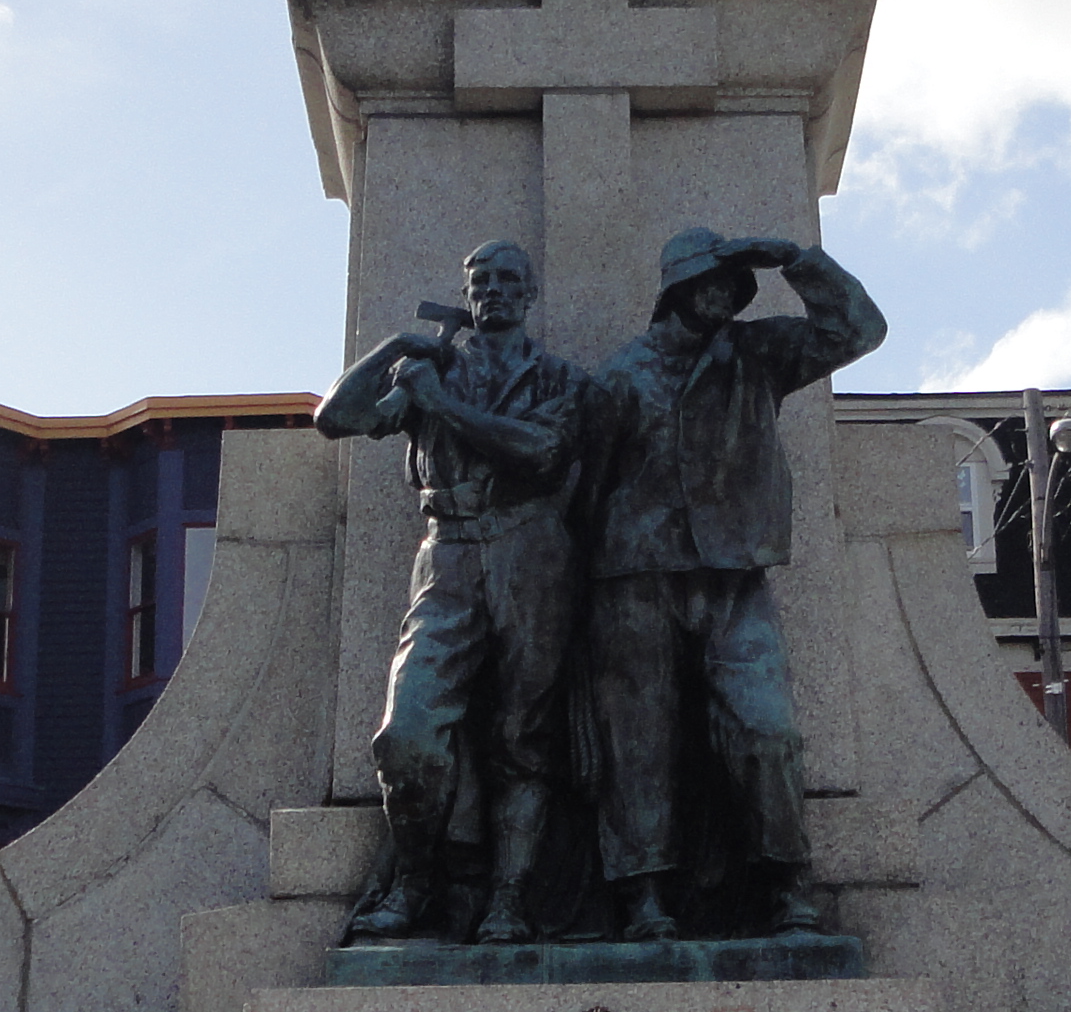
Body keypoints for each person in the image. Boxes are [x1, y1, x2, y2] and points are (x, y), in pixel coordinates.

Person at [576, 227, 885, 939]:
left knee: (767, 729)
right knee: (639, 742)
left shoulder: (760, 352)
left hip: (734, 575)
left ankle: (787, 886)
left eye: (730, 281)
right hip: (633, 577)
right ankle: (644, 895)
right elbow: (586, 494)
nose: (723, 291)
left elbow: (860, 329)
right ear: (677, 290)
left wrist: (795, 260)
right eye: (708, 280)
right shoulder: (619, 379)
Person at [314, 240, 584, 946]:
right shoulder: (433, 369)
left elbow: (542, 453)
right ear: (467, 295)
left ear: (529, 294)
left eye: (506, 280)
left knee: (523, 737)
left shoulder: (557, 378)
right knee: (407, 734)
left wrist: (443, 408)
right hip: (449, 551)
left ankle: (509, 899)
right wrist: (392, 349)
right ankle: (411, 885)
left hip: (530, 549)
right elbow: (336, 419)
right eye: (480, 280)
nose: (493, 290)